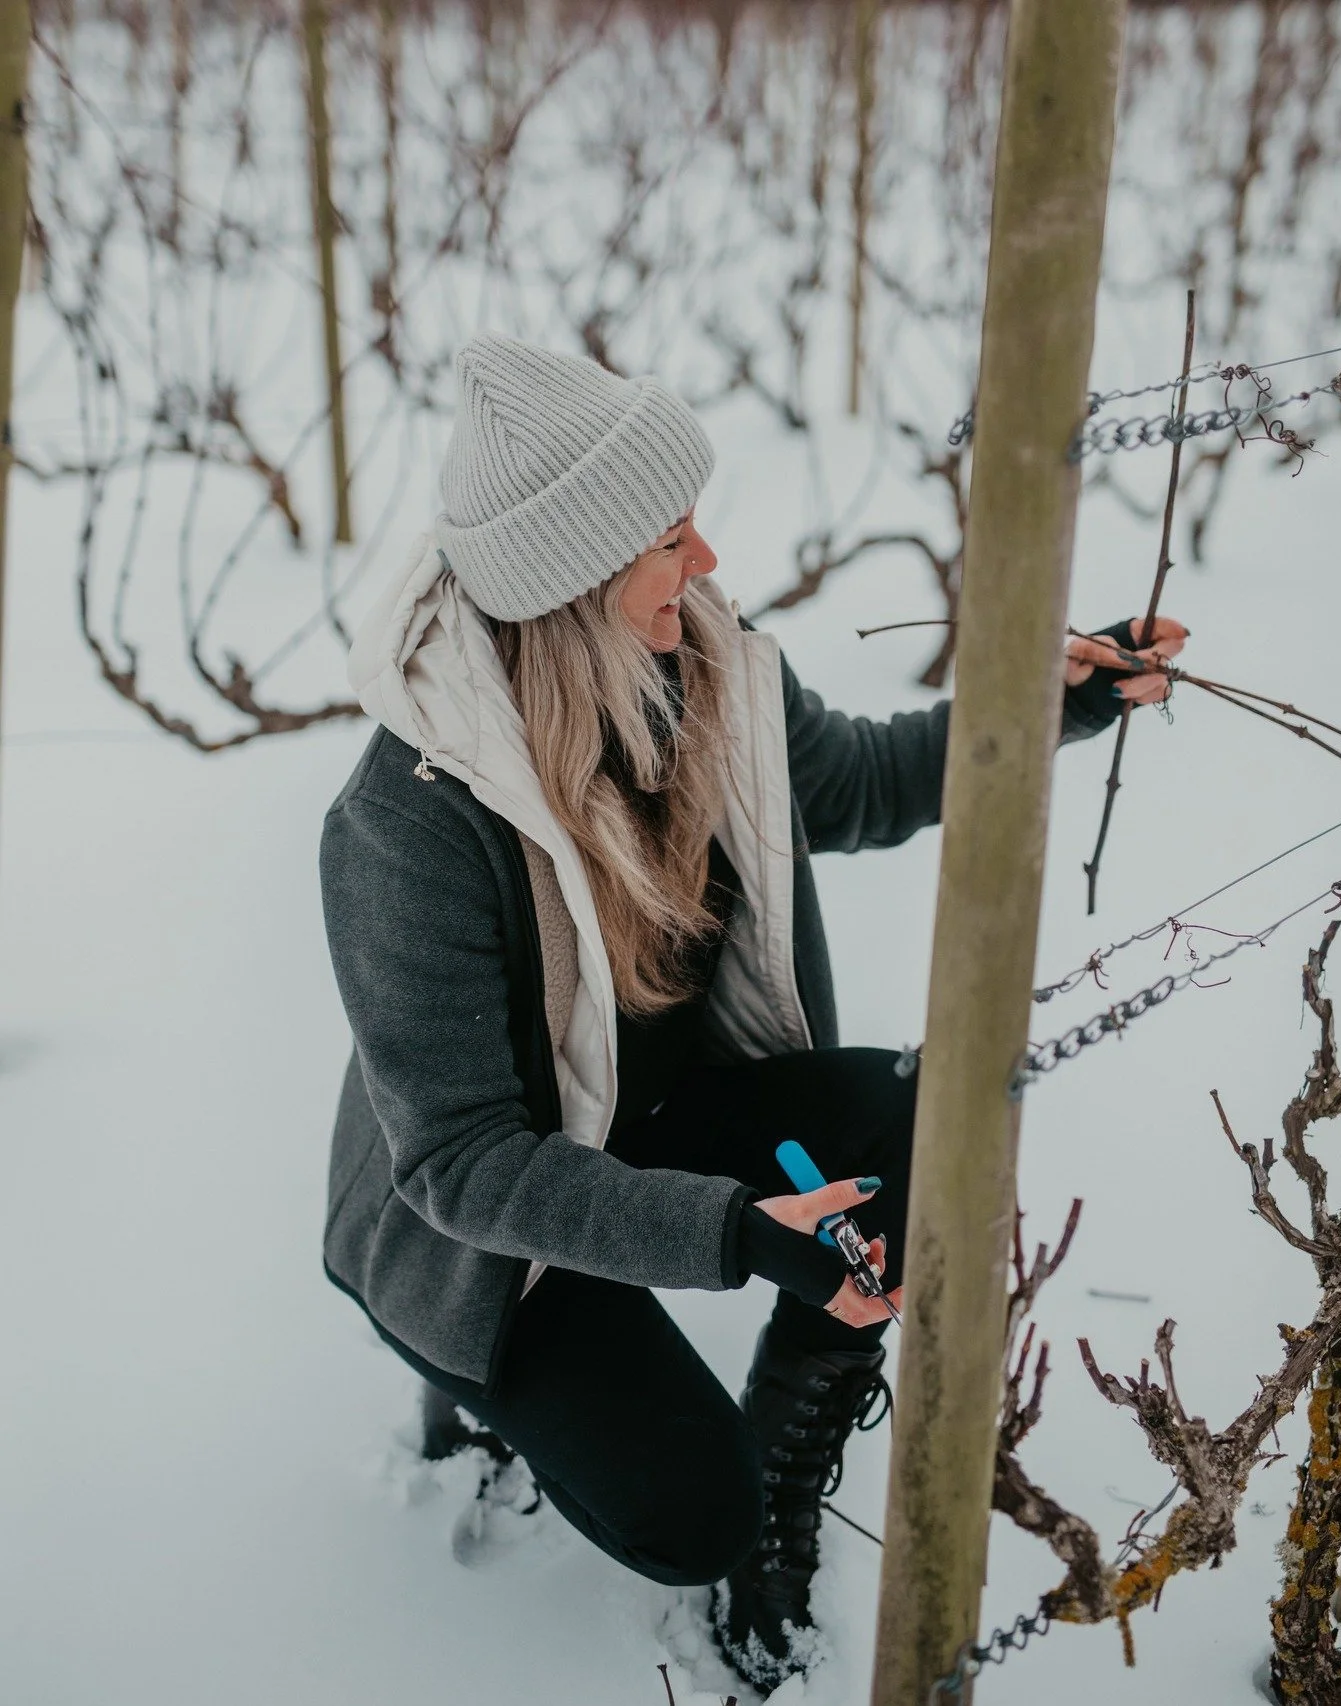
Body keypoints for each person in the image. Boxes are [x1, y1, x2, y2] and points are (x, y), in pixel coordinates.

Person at [318, 333, 1186, 1693]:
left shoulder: (704, 670)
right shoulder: (404, 822)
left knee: (921, 1125)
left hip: (651, 1112)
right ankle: (477, 1392)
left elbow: (855, 783)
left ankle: (784, 1442)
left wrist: (1048, 701)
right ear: (578, 584)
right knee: (685, 1516)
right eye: (671, 539)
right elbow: (460, 1164)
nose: (707, 564)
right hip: (481, 1236)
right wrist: (734, 1234)